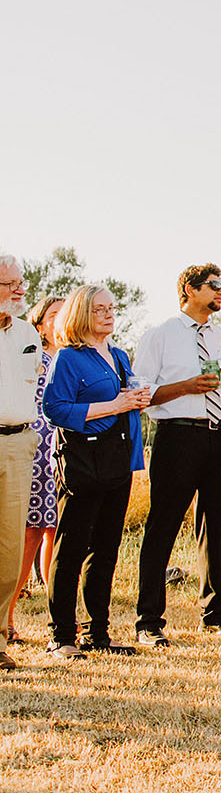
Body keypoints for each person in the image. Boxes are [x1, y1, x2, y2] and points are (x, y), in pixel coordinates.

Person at [132, 264, 221, 646]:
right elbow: (142, 394)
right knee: (163, 525)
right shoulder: (160, 335)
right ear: (189, 289)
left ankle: (216, 615)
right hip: (178, 437)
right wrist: (184, 387)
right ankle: (149, 622)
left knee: (215, 525)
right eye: (213, 286)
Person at [40, 285, 150, 660]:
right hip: (83, 462)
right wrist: (114, 404)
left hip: (118, 459)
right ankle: (61, 636)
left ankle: (97, 633)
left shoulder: (118, 355)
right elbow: (54, 408)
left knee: (106, 550)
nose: (108, 313)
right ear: (81, 313)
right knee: (70, 549)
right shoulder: (68, 358)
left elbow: (125, 403)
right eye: (99, 308)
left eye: (111, 307)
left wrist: (137, 400)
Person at [8, 295, 62, 647]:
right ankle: (7, 618)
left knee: (55, 534)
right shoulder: (34, 359)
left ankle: (57, 619)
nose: (59, 323)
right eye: (53, 317)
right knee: (27, 535)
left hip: (66, 457)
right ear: (40, 325)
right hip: (34, 453)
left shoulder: (75, 361)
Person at [0, 256, 45, 668]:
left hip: (17, 444)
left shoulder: (29, 333)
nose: (19, 290)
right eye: (9, 283)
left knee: (10, 547)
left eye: (20, 282)